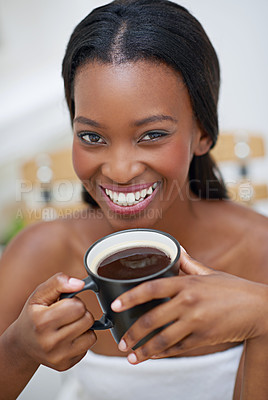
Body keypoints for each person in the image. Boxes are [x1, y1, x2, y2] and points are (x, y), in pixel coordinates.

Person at [0, 0, 267, 399]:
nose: (120, 171)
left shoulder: (260, 253)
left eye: (153, 134)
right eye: (92, 137)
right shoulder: (42, 251)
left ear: (203, 134)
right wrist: (18, 351)